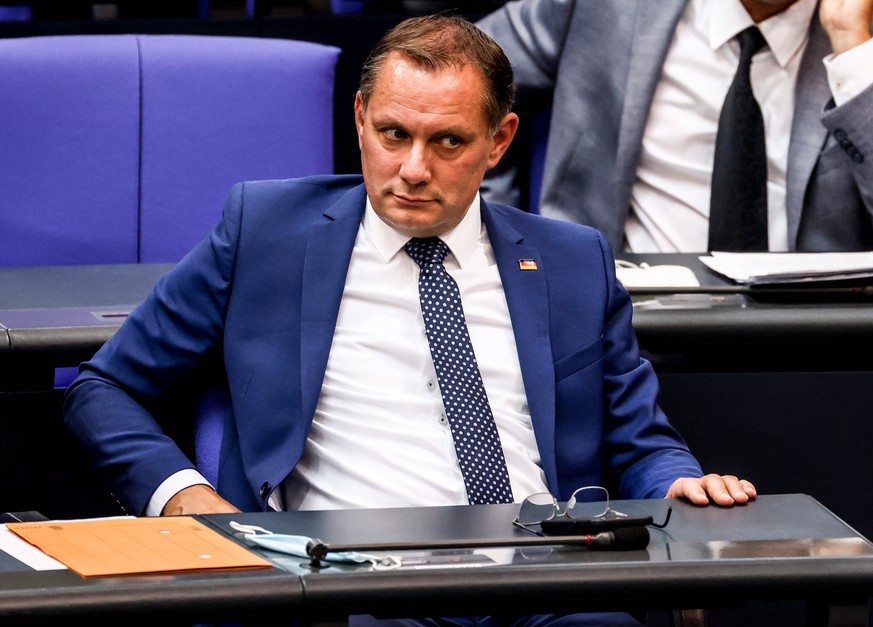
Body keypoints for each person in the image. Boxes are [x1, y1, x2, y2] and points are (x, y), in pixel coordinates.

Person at [64, 13, 755, 626]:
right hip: (353, 581)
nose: (413, 169)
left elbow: (639, 440)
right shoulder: (265, 233)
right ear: (359, 117)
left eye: (448, 142)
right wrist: (189, 500)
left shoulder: (572, 260)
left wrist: (676, 481)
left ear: (498, 139)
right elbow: (107, 387)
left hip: (551, 577)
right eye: (393, 134)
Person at [476, 0, 873, 253]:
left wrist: (854, 53)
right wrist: (498, 230)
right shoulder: (601, 9)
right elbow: (452, 81)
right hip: (619, 326)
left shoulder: (860, 32)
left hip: (814, 340)